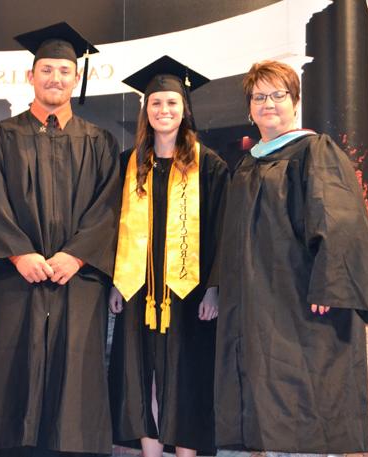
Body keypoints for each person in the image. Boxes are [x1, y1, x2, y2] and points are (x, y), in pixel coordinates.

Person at [215, 60, 368, 455]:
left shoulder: (315, 151)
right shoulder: (247, 163)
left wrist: (331, 284)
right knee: (266, 402)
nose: (268, 103)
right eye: (259, 96)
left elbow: (338, 219)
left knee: (304, 402)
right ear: (249, 109)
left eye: (278, 94)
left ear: (295, 101)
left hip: (303, 303)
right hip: (259, 303)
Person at [0, 22, 121, 457]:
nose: (55, 78)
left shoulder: (100, 142)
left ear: (76, 78)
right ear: (30, 76)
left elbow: (109, 206)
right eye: (46, 70)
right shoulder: (2, 136)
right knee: (16, 368)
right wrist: (19, 253)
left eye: (64, 71)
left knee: (77, 374)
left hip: (79, 278)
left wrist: (76, 255)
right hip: (20, 277)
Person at [108, 56, 228, 457]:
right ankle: (150, 453)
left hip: (188, 293)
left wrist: (213, 288)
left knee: (184, 377)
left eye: (172, 103)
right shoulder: (128, 163)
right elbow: (112, 227)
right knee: (141, 378)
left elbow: (220, 230)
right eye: (156, 103)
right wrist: (115, 282)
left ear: (185, 109)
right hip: (137, 291)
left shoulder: (208, 166)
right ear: (146, 109)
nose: (164, 110)